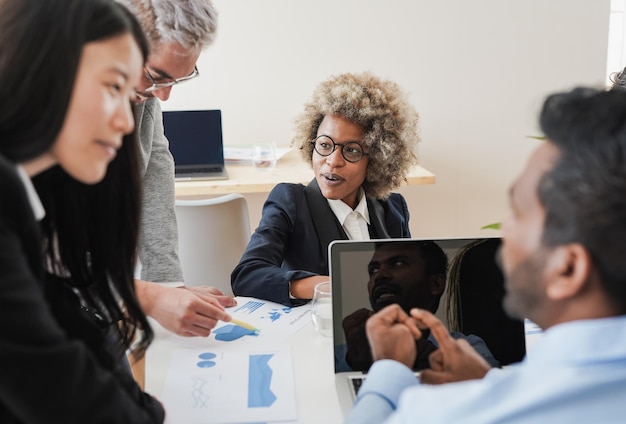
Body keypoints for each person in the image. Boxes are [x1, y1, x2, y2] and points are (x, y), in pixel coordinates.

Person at [345, 87, 626, 423]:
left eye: (519, 213)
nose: (504, 230)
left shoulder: (449, 412)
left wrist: (388, 368)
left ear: (568, 269)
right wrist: (489, 385)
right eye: (373, 268)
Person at [0, 0, 165, 421]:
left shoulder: (27, 202)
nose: (128, 123)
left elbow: (75, 334)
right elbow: (56, 384)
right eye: (113, 87)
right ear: (44, 66)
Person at [232, 72, 420, 305]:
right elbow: (247, 276)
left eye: (351, 150)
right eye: (324, 145)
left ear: (377, 160)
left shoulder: (392, 208)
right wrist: (330, 286)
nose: (332, 161)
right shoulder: (291, 202)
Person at [117, 0, 235, 338]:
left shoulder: (144, 94)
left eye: (178, 81)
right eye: (156, 77)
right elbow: (52, 263)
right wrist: (150, 297)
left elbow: (155, 166)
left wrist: (166, 282)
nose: (163, 96)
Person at [340, 241, 498, 372]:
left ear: (436, 284)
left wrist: (433, 361)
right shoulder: (340, 355)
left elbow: (494, 394)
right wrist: (356, 362)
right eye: (373, 270)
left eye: (398, 263)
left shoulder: (468, 348)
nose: (380, 275)